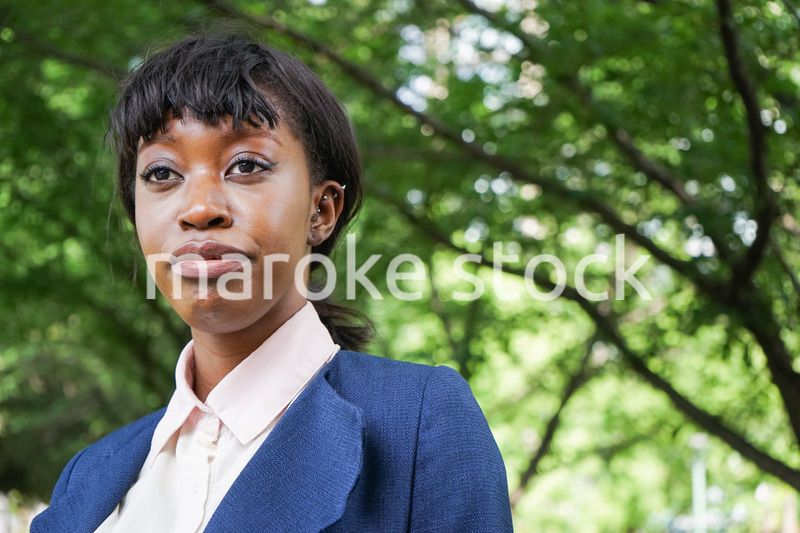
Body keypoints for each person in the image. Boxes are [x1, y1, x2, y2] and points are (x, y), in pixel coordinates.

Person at [31, 33, 513, 533]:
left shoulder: (420, 424)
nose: (199, 209)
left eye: (246, 165)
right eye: (161, 173)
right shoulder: (87, 477)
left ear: (321, 210)